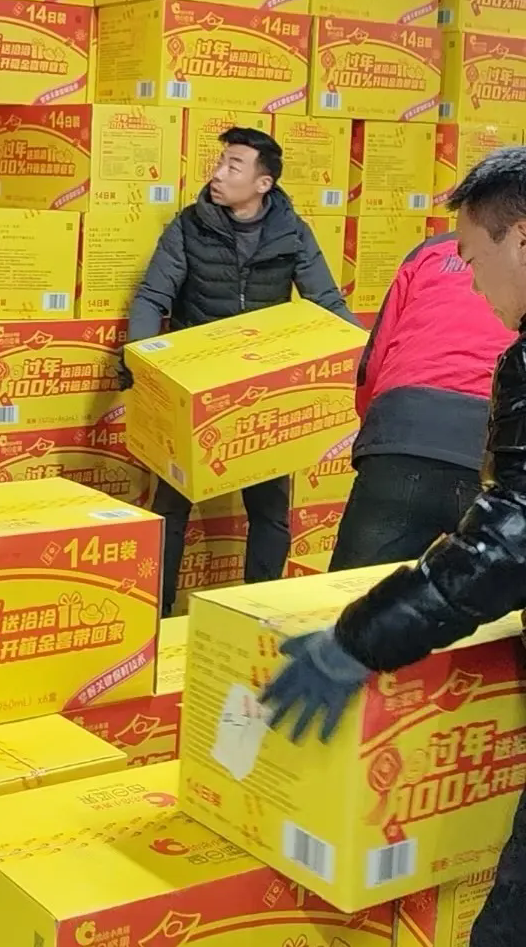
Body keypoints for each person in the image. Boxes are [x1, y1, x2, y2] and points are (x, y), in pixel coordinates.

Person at [262, 146, 526, 947]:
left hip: (402, 435)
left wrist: (354, 643)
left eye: (473, 260)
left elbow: (511, 538)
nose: (471, 285)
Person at [120, 126, 358, 614]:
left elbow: (326, 300)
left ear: (263, 184)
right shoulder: (189, 226)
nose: (218, 174)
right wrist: (141, 360)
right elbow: (152, 296)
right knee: (170, 507)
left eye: (233, 166)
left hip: (263, 390)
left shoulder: (292, 232)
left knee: (270, 511)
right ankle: (158, 617)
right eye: (219, 163)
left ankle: (259, 614)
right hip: (192, 386)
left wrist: (367, 359)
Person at [330, 229, 512, 569]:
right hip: (492, 450)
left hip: (401, 434)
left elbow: (374, 361)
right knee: (493, 593)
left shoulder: (431, 250)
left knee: (351, 592)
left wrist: (383, 430)